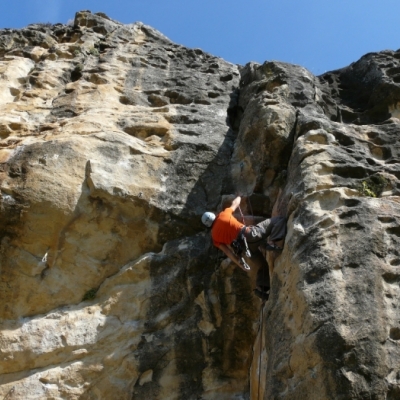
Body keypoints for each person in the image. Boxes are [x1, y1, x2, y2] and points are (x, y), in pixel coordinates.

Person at [202, 196, 286, 301]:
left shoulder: (214, 238)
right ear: (213, 216)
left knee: (262, 265)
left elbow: (228, 252)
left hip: (246, 249)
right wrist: (239, 196)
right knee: (278, 221)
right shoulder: (223, 215)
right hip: (250, 234)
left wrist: (240, 264)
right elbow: (235, 203)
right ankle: (274, 243)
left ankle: (261, 289)